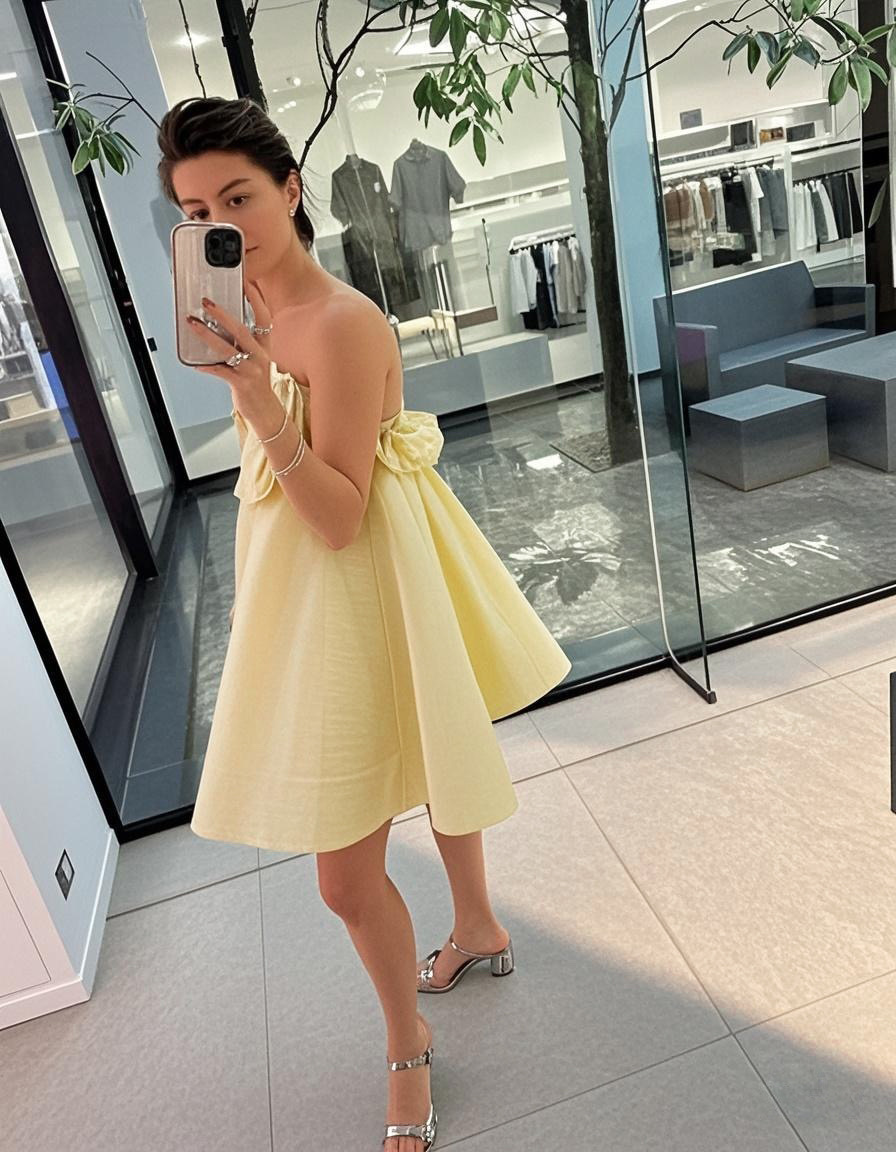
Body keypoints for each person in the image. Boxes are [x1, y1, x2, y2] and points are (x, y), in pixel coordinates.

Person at [157, 96, 572, 1151]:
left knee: (345, 877)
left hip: (356, 579)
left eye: (239, 198)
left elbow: (340, 518)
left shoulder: (342, 323)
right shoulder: (239, 307)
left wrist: (259, 400)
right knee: (429, 748)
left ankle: (406, 1047)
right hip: (300, 585)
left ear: (292, 189)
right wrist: (244, 380)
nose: (222, 224)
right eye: (196, 211)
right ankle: (477, 925)